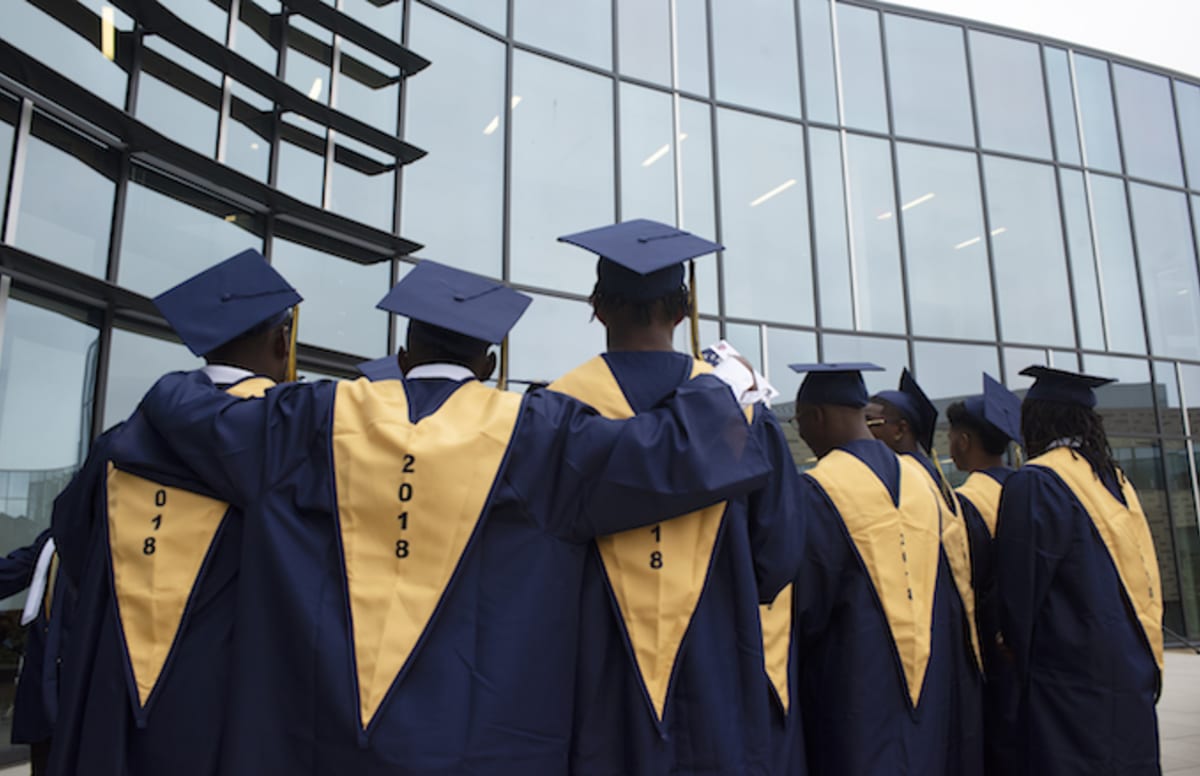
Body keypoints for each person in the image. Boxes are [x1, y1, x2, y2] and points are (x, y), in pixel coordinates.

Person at [111, 259, 773, 775]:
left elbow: (192, 416)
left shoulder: (315, 419)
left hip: (318, 739)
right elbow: (665, 455)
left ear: (404, 356)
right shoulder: (538, 433)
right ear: (489, 364)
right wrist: (719, 385)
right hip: (485, 745)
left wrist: (177, 383)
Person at [551, 219, 803, 775]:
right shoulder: (745, 416)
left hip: (592, 664)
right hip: (718, 661)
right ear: (684, 311)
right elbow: (778, 556)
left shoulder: (556, 410)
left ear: (598, 307)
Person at [47, 249, 301, 776]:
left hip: (115, 686)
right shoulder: (289, 442)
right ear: (283, 342)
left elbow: (72, 542)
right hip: (237, 689)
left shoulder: (119, 443)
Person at [788, 363, 971, 775]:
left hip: (848, 703)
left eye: (800, 422)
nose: (802, 434)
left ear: (817, 416)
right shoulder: (926, 486)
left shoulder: (816, 491)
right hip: (931, 702)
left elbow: (801, 614)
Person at [993, 366, 1163, 776]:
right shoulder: (1115, 482)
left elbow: (1020, 594)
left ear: (1036, 421)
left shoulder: (1038, 482)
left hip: (1067, 678)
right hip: (1129, 667)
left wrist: (1009, 648)